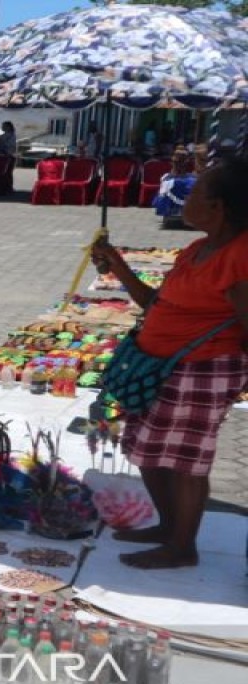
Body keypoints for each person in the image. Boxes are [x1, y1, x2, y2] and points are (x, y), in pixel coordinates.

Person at [91, 158, 248, 570]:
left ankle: (182, 546)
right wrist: (117, 264)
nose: (184, 198)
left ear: (217, 207)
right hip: (159, 367)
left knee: (186, 462)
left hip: (202, 370)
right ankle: (168, 527)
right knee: (148, 451)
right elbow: (153, 303)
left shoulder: (239, 255)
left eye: (194, 192)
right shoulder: (197, 250)